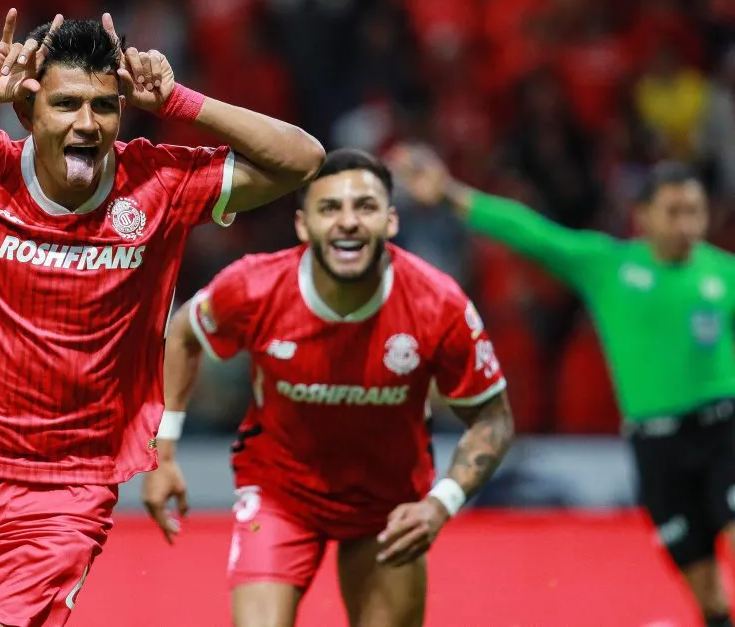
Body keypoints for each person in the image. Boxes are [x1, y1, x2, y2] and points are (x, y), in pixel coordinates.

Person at [0, 9, 324, 627]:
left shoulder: (159, 183)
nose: (87, 123)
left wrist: (181, 101)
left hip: (69, 487)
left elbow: (302, 160)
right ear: (26, 112)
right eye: (66, 105)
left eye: (104, 106)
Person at [142, 149, 515, 627]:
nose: (348, 222)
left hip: (388, 505)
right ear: (303, 225)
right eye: (329, 208)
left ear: (391, 220)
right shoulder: (255, 287)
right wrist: (165, 450)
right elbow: (184, 334)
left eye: (364, 206)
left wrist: (441, 505)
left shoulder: (437, 304)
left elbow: (494, 417)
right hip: (280, 495)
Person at [391, 145, 735, 627]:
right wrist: (448, 194)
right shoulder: (607, 264)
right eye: (674, 212)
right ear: (642, 216)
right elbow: (530, 234)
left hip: (724, 434)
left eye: (695, 212)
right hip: (656, 449)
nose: (687, 225)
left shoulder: (724, 274)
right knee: (709, 597)